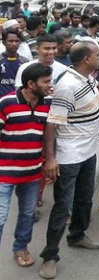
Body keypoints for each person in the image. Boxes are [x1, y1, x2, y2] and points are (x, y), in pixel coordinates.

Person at [39, 42, 99, 279]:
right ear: (86, 59)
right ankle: (50, 256)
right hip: (69, 155)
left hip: (88, 152)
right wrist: (51, 159)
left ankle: (77, 235)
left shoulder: (87, 77)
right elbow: (52, 124)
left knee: (84, 199)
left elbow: (96, 87)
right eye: (96, 54)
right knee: (63, 206)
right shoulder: (67, 86)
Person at [0, 64, 52, 269]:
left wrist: (49, 160)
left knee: (28, 214)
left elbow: (49, 134)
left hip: (32, 173)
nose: (50, 85)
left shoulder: (48, 104)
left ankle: (20, 247)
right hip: (4, 172)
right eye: (46, 81)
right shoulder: (6, 103)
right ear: (31, 84)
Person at [0, 29, 28, 97]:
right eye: (10, 41)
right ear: (4, 42)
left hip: (18, 101)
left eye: (17, 41)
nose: (14, 44)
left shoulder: (25, 62)